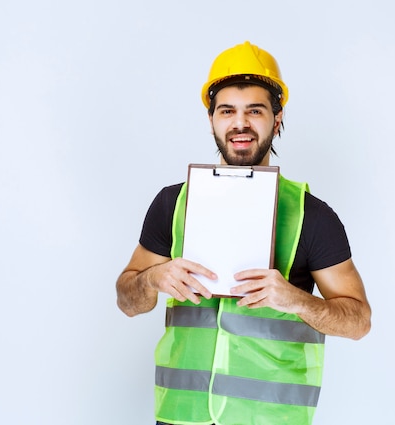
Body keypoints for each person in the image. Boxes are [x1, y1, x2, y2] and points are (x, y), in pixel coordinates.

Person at [116, 41, 371, 425]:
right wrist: (153, 278)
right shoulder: (173, 204)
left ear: (277, 119)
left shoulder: (312, 216)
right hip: (181, 416)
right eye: (227, 111)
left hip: (269, 418)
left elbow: (358, 321)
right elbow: (128, 301)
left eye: (255, 110)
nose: (240, 123)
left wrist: (296, 300)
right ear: (211, 119)